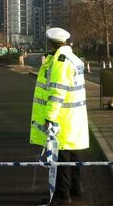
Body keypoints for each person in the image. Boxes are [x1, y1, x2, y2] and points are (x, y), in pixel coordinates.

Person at [30, 27, 89, 205]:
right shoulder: (74, 59)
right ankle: (76, 188)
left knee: (61, 158)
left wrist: (49, 116)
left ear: (51, 44)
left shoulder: (60, 62)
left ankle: (63, 196)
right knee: (74, 154)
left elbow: (57, 92)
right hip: (75, 118)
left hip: (62, 119)